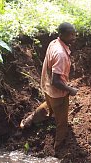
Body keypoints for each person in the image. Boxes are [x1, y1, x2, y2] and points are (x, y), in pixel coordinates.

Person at [20, 22, 78, 150]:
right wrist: (70, 90)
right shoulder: (61, 54)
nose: (74, 37)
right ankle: (58, 147)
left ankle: (27, 121)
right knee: (62, 123)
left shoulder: (54, 43)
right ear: (62, 35)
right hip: (57, 92)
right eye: (70, 35)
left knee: (49, 106)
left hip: (47, 87)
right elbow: (56, 81)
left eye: (74, 34)